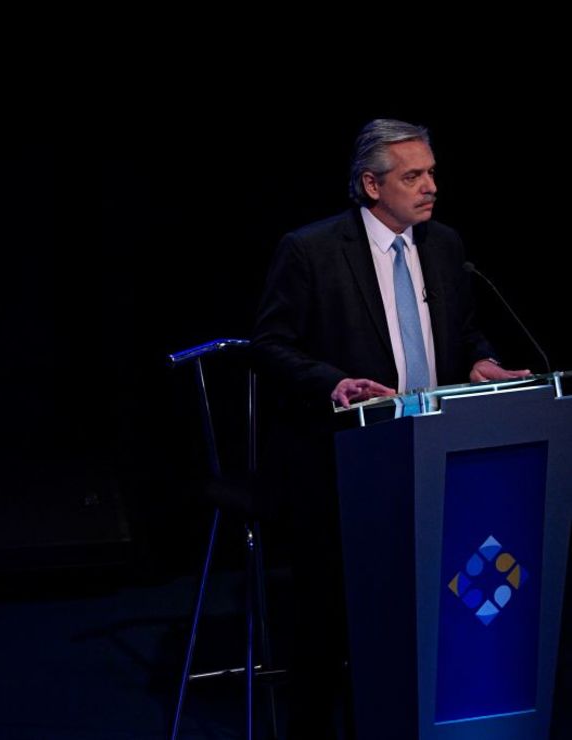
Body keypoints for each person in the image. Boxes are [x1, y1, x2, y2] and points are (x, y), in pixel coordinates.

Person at [251, 119, 528, 738]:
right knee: (330, 621)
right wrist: (333, 383)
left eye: (431, 172)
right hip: (342, 457)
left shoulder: (446, 245)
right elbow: (270, 346)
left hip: (435, 450)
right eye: (414, 176)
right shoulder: (311, 250)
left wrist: (480, 360)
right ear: (372, 185)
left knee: (435, 607)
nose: (431, 186)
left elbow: (460, 333)